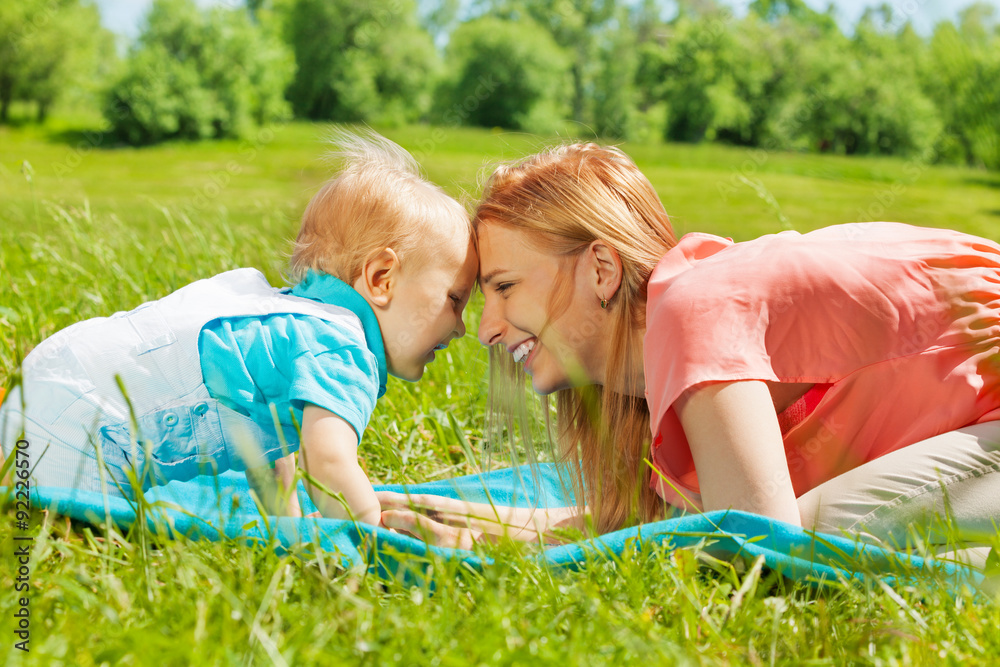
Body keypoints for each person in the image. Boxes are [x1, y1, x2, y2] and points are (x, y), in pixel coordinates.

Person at [379, 142, 1000, 565]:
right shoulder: (651, 373)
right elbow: (635, 523)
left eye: (506, 288)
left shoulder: (690, 309)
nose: (486, 329)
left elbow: (756, 542)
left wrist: (507, 550)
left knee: (808, 537)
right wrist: (439, 515)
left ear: (601, 268)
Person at [0, 130, 477, 525]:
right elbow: (327, 460)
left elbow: (269, 444)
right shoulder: (342, 347)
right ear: (380, 279)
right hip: (73, 436)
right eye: (454, 301)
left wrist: (284, 520)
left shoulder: (284, 320)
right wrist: (368, 527)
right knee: (64, 533)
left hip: (46, 382)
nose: (459, 328)